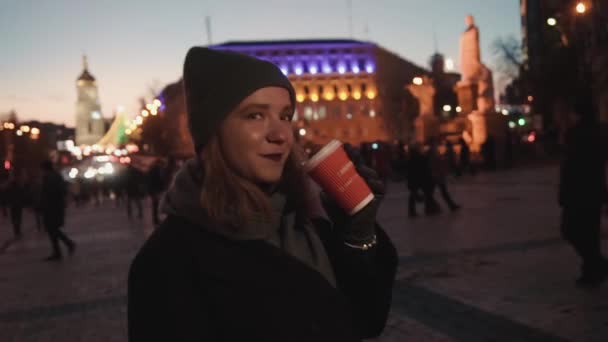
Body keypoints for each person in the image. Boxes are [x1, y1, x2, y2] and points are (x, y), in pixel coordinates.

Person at [128, 47, 397, 341]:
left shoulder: (304, 224)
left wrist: (357, 233)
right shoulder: (167, 260)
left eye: (285, 116)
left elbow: (366, 320)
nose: (280, 134)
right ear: (212, 132)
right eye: (255, 115)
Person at [559, 97, 608, 287]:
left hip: (577, 191)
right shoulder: (600, 132)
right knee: (590, 232)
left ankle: (597, 265)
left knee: (570, 229)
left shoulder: (576, 134)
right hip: (594, 189)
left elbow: (570, 167)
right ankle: (592, 271)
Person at [40, 160, 75, 261]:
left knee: (52, 229)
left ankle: (63, 248)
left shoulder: (50, 177)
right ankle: (62, 248)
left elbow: (48, 193)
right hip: (56, 206)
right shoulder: (56, 176)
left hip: (52, 207)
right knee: (53, 229)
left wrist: (42, 204)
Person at [428, 139, 460, 212]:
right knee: (437, 192)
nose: (437, 145)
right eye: (436, 143)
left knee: (437, 192)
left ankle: (451, 205)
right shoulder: (432, 151)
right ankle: (450, 205)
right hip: (436, 175)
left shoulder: (433, 151)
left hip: (436, 175)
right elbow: (434, 162)